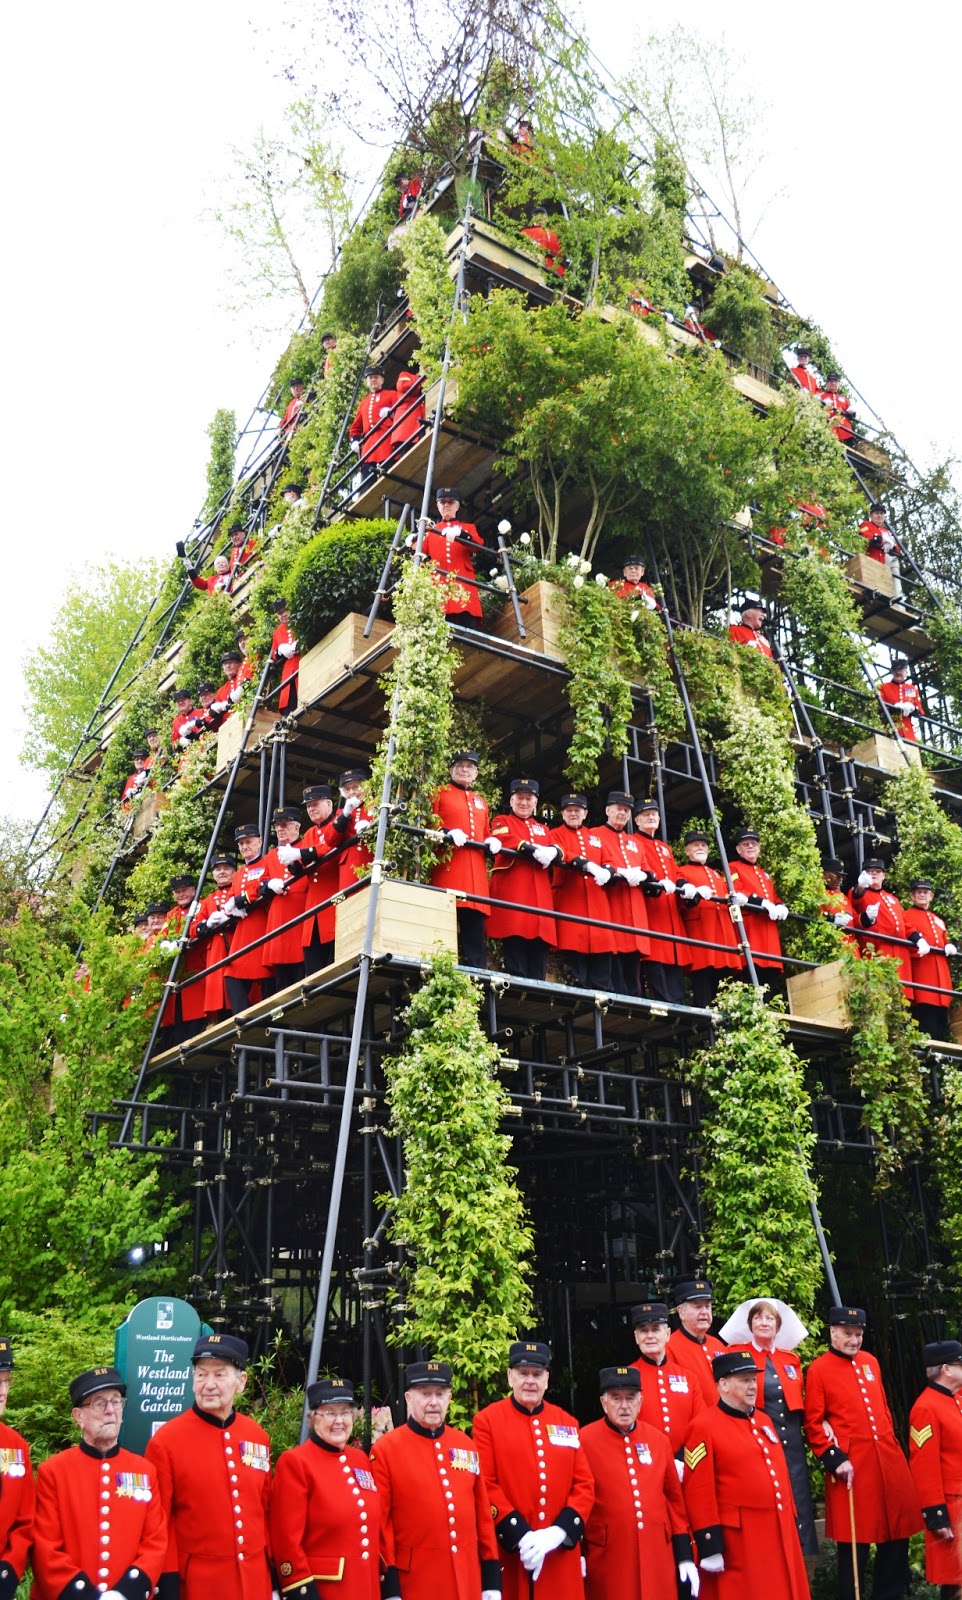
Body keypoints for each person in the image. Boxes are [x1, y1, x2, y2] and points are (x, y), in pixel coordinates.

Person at [803, 1305, 921, 1600]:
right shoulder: (819, 1369)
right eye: (847, 1333)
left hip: (886, 1459)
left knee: (895, 1533)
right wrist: (834, 1458)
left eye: (858, 1334)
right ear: (833, 1332)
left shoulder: (870, 1361)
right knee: (853, 1542)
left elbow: (881, 1409)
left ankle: (890, 1594)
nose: (854, 1340)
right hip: (852, 1464)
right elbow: (813, 1423)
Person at [146, 1333, 273, 1600]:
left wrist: (272, 1575)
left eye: (220, 1375)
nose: (209, 1384)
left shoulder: (257, 1436)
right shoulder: (167, 1441)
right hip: (198, 1585)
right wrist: (167, 1583)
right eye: (201, 1375)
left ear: (241, 1382)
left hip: (254, 1581)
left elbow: (263, 1509)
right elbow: (158, 1522)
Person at [682, 1350, 809, 1598]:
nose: (753, 1386)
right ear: (724, 1384)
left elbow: (780, 1476)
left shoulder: (763, 1420)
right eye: (745, 1380)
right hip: (740, 1540)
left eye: (754, 1379)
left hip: (778, 1530)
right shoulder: (702, 1427)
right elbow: (698, 1490)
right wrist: (710, 1543)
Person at [33, 1363, 166, 1600]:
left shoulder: (145, 1471)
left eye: (116, 1401)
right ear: (78, 1416)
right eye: (99, 1402)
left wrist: (127, 1592)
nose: (110, 1410)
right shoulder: (53, 1472)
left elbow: (155, 1541)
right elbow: (46, 1547)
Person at [472, 1340, 594, 1599]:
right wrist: (521, 1535)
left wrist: (558, 1532)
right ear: (509, 1377)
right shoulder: (487, 1422)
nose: (530, 1381)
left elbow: (584, 1484)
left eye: (537, 1375)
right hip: (514, 1552)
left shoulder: (566, 1422)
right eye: (522, 1373)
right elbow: (485, 1484)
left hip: (559, 1555)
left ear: (547, 1379)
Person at [370, 1361, 500, 1600]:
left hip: (467, 1579)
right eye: (425, 1394)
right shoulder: (386, 1450)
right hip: (418, 1583)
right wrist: (390, 1588)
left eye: (440, 1394)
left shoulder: (465, 1444)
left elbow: (482, 1514)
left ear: (449, 1398)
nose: (433, 1402)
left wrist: (491, 1579)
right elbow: (382, 1525)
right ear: (409, 1398)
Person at [580, 1365, 698, 1600]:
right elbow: (578, 1498)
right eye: (616, 1398)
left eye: (631, 1398)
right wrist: (576, 1552)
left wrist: (684, 1554)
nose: (624, 1406)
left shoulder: (658, 1440)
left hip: (657, 1554)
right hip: (609, 1556)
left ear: (641, 1401)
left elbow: (674, 1503)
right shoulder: (584, 1439)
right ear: (603, 1403)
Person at [718, 1297, 818, 1557]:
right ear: (750, 1324)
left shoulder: (790, 1360)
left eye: (770, 1318)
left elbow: (803, 1401)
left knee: (799, 1501)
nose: (764, 1323)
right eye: (758, 1318)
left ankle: (802, 1569)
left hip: (793, 1443)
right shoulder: (737, 1354)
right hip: (758, 1441)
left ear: (778, 1325)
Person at [270, 1375, 380, 1600]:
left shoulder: (360, 1459)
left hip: (365, 1587)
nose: (339, 1420)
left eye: (345, 1412)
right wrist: (301, 1592)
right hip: (324, 1591)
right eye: (330, 1413)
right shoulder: (295, 1463)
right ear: (313, 1418)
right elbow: (286, 1541)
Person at [430, 751, 499, 970]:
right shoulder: (438, 792)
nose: (464, 770)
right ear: (451, 769)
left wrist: (492, 841)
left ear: (476, 773)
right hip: (449, 870)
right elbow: (429, 825)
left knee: (474, 929)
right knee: (445, 925)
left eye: (469, 767)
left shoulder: (481, 801)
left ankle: (477, 972)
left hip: (476, 876)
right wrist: (446, 831)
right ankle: (443, 968)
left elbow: (485, 831)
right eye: (460, 765)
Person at [487, 779, 559, 979]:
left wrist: (553, 851)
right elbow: (505, 839)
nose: (524, 802)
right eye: (520, 798)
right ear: (511, 801)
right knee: (515, 937)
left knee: (539, 943)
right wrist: (531, 849)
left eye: (529, 798)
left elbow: (557, 846)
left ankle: (538, 988)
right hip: (515, 891)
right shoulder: (502, 820)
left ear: (535, 803)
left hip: (539, 895)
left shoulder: (543, 829)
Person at [908, 1338, 962, 1599]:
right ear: (946, 1370)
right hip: (953, 1506)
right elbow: (923, 1466)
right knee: (953, 1579)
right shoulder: (926, 1407)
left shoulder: (956, 1399)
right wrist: (935, 1513)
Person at [546, 794, 616, 991]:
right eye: (569, 810)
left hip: (596, 903)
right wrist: (585, 864)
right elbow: (559, 852)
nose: (573, 814)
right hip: (571, 901)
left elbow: (610, 860)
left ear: (585, 813)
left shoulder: (595, 837)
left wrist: (608, 871)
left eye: (577, 810)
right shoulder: (556, 833)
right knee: (575, 959)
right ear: (562, 813)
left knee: (602, 955)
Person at [276, 785, 341, 976]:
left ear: (328, 804)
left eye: (315, 804)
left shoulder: (338, 822)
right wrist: (292, 863)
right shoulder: (311, 833)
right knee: (313, 961)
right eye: (308, 806)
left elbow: (329, 847)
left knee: (332, 957)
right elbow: (303, 866)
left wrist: (301, 853)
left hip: (332, 898)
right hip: (314, 905)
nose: (311, 809)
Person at [629, 1301, 704, 1457]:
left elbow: (700, 1424)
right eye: (643, 1331)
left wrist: (685, 1457)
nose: (650, 1336)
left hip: (685, 1460)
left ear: (668, 1334)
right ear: (636, 1337)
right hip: (644, 1460)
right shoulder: (628, 1377)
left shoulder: (688, 1378)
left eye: (655, 1330)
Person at [676, 834, 742, 1007]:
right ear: (687, 850)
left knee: (724, 984)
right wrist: (695, 893)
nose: (700, 848)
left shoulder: (715, 874)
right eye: (696, 845)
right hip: (701, 933)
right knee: (703, 982)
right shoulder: (681, 871)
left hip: (722, 935)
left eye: (703, 845)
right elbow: (682, 899)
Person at [596, 791, 652, 996]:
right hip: (612, 904)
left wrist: (644, 875)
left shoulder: (635, 842)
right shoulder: (595, 834)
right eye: (618, 809)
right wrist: (619, 872)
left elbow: (647, 870)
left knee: (633, 969)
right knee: (615, 958)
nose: (622, 813)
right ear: (607, 810)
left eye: (626, 810)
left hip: (635, 910)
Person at [633, 798, 688, 1004]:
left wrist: (683, 882)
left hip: (670, 913)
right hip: (651, 910)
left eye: (654, 814)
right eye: (646, 815)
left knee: (674, 963)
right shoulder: (633, 841)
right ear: (637, 820)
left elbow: (675, 872)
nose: (651, 818)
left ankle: (679, 1005)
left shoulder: (664, 847)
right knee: (655, 960)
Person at [259, 806, 309, 995]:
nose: (279, 829)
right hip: (278, 919)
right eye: (277, 826)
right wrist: (269, 884)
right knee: (282, 981)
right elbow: (260, 884)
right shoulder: (271, 856)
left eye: (284, 825)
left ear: (296, 827)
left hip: (300, 912)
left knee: (301, 971)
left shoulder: (305, 847)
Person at [222, 823, 271, 1013]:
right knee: (232, 975)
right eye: (241, 844)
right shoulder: (239, 873)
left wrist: (241, 900)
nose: (244, 847)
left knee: (266, 974)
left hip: (262, 924)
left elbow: (263, 884)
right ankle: (242, 1018)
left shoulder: (266, 862)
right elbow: (231, 897)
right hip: (243, 931)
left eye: (248, 842)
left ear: (259, 841)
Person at [419, 488, 485, 627]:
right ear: (438, 506)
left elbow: (478, 546)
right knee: (443, 623)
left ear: (457, 506)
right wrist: (414, 539)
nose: (446, 505)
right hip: (440, 584)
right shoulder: (431, 532)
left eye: (450, 502)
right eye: (442, 502)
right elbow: (420, 557)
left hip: (463, 582)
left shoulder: (467, 527)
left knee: (468, 622)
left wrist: (462, 534)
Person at [0, 1338, 34, 1599]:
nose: (2, 1391)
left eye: (6, 1381)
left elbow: (25, 1519)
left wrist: (9, 1568)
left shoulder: (16, 1446)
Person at [903, 878, 958, 1040]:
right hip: (923, 980)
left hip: (941, 982)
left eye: (925, 892)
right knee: (926, 1027)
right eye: (918, 892)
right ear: (912, 896)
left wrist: (949, 945)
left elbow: (943, 939)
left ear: (931, 896)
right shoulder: (906, 915)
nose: (922, 895)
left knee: (941, 1028)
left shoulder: (938, 920)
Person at [728, 828, 788, 976]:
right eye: (745, 844)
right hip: (751, 929)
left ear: (759, 848)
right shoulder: (733, 867)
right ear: (738, 849)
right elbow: (736, 890)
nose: (750, 846)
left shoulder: (763, 873)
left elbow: (774, 897)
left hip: (769, 935)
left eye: (753, 843)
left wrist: (781, 906)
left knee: (771, 977)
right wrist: (762, 903)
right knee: (753, 972)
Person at [156, 875, 208, 1046]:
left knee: (196, 1014)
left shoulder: (201, 905)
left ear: (193, 890)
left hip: (197, 966)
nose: (181, 894)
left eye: (184, 890)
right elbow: (161, 937)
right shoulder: (172, 914)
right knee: (180, 1017)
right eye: (177, 892)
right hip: (179, 973)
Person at [188, 853, 237, 1019]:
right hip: (216, 953)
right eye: (217, 869)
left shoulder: (238, 889)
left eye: (226, 868)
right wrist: (206, 924)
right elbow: (193, 928)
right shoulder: (209, 900)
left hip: (235, 945)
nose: (222, 872)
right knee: (221, 998)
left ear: (233, 871)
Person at [849, 857, 911, 984]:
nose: (874, 873)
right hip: (878, 950)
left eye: (877, 871)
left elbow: (905, 924)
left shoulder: (892, 898)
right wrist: (861, 886)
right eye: (869, 871)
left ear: (884, 875)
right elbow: (855, 897)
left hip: (899, 954)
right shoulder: (861, 892)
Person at [667, 1279, 728, 1407]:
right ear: (681, 1312)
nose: (704, 1312)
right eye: (697, 1306)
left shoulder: (717, 1344)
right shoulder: (669, 1347)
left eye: (707, 1306)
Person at [349, 368, 398, 487]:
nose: (373, 380)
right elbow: (355, 427)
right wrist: (355, 440)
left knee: (390, 480)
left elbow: (401, 412)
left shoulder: (392, 395)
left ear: (382, 380)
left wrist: (391, 414)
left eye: (376, 377)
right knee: (367, 485)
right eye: (370, 378)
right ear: (367, 382)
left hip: (387, 442)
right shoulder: (363, 403)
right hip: (368, 449)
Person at [330, 770, 376, 893]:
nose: (352, 792)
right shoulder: (341, 813)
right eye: (347, 789)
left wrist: (372, 825)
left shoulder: (375, 805)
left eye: (356, 787)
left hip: (371, 860)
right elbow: (331, 840)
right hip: (350, 867)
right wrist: (345, 814)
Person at [858, 504, 901, 593]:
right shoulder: (866, 524)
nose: (879, 516)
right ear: (871, 515)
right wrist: (879, 540)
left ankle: (898, 597)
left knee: (894, 560)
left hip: (883, 561)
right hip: (871, 558)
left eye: (881, 513)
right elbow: (865, 534)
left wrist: (891, 545)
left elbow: (897, 548)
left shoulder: (887, 531)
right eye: (876, 513)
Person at [879, 660, 925, 742]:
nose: (898, 672)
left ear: (906, 672)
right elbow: (879, 706)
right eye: (896, 670)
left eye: (901, 670)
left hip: (908, 732)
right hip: (890, 727)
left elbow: (920, 711)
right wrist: (894, 706)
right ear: (892, 672)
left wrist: (913, 708)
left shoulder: (912, 689)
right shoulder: (883, 687)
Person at [269, 598, 300, 713]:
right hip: (288, 672)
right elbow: (274, 655)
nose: (284, 614)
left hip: (302, 663)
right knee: (290, 706)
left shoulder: (299, 620)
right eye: (280, 613)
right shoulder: (277, 631)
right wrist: (279, 651)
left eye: (285, 610)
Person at [390, 370, 424, 453]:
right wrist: (422, 383)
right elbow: (403, 386)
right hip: (406, 426)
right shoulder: (405, 374)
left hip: (421, 422)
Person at [821, 374, 855, 443]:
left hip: (845, 432)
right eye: (831, 381)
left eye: (836, 381)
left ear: (839, 384)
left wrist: (852, 413)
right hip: (829, 430)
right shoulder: (821, 397)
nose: (833, 383)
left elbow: (851, 413)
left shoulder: (844, 399)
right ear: (827, 384)